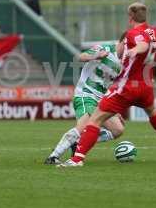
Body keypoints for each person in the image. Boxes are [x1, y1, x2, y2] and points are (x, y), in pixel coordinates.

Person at [58, 2, 156, 167]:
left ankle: (77, 159)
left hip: (126, 86)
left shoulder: (133, 33)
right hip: (146, 87)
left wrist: (134, 51)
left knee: (95, 120)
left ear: (130, 17)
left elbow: (142, 44)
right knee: (153, 111)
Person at [44, 34, 126, 164]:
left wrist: (115, 110)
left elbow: (108, 86)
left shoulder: (123, 63)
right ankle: (54, 156)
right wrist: (96, 56)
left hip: (100, 101)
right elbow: (80, 57)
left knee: (118, 129)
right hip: (86, 94)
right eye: (129, 46)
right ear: (123, 42)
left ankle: (78, 141)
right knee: (82, 126)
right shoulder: (105, 49)